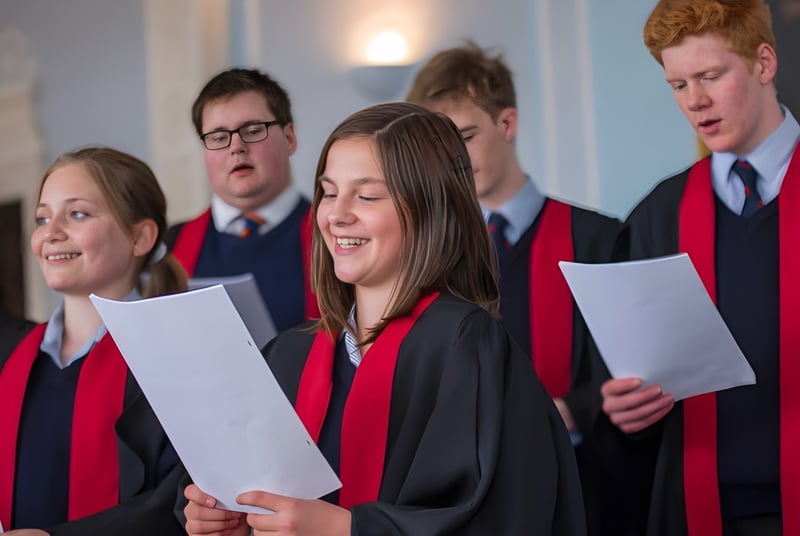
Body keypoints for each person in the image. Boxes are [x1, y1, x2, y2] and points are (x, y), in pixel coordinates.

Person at [183, 102, 587, 535]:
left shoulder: (467, 347)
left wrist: (348, 529)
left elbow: (509, 516)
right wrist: (232, 520)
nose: (337, 215)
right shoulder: (290, 354)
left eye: (367, 195)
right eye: (329, 193)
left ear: (430, 208)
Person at [406, 42, 625, 533]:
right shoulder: (426, 257)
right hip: (467, 496)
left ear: (507, 123)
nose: (453, 160)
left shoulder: (597, 238)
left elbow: (627, 365)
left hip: (585, 483)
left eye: (465, 137)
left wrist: (575, 410)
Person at [601, 1, 799, 534]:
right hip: (698, 506)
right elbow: (643, 373)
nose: (695, 101)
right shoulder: (658, 215)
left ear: (763, 63)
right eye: (679, 84)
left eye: (710, 76)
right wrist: (630, 408)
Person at [0, 147, 188, 535]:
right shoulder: (10, 355)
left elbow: (177, 502)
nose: (51, 233)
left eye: (77, 214)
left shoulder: (176, 360)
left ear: (139, 237)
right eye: (42, 218)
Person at [165, 67, 318, 332]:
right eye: (218, 137)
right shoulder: (170, 245)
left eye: (253, 130)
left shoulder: (335, 235)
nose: (236, 147)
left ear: (289, 138)